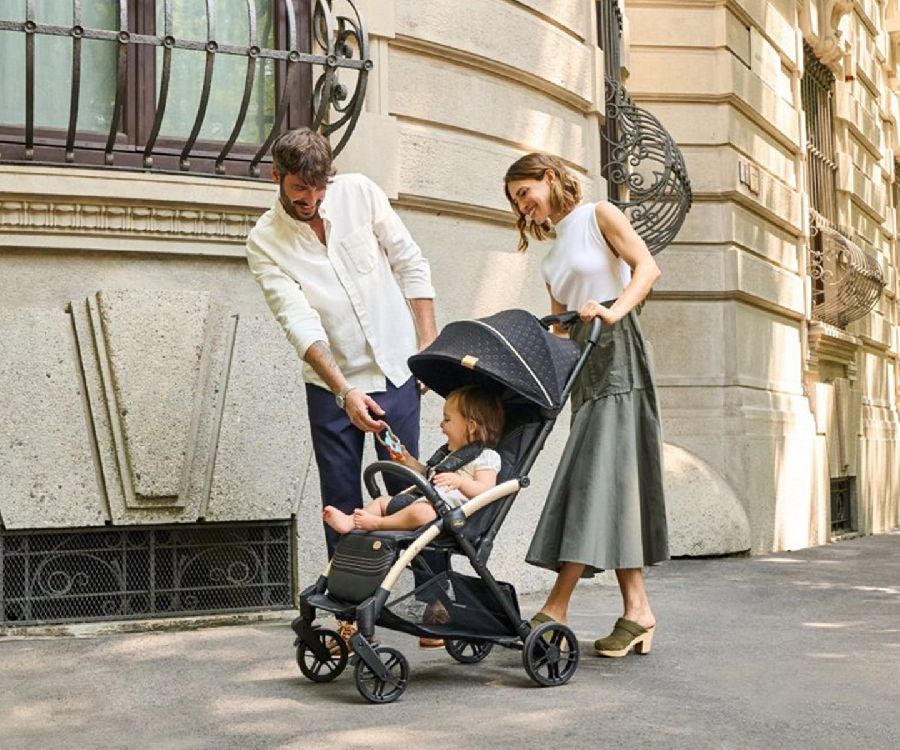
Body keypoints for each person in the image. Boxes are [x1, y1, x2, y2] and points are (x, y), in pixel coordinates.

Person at [245, 127, 438, 646]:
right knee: (342, 500)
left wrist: (427, 350)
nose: (310, 201)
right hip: (332, 389)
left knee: (411, 489)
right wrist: (344, 391)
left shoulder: (360, 193)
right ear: (277, 177)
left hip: (396, 371)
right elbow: (298, 322)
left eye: (318, 190)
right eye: (298, 191)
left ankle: (434, 601)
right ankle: (351, 615)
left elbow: (410, 263)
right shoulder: (265, 241)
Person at [503, 152, 669, 658]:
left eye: (525, 193)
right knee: (609, 481)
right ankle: (637, 610)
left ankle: (556, 607)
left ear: (549, 177)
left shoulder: (599, 215)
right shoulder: (551, 258)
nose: (523, 207)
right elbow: (560, 330)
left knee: (591, 477)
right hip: (584, 367)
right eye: (516, 202)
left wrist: (614, 312)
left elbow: (647, 268)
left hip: (618, 356)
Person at [322, 385, 504, 535]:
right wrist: (407, 460)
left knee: (422, 513)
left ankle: (378, 523)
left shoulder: (486, 457)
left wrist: (461, 483)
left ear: (471, 426)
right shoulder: (449, 456)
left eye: (447, 419)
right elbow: (428, 474)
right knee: (382, 501)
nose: (441, 425)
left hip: (446, 515)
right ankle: (349, 522)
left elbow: (487, 491)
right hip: (425, 500)